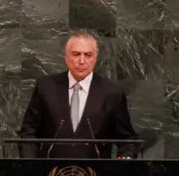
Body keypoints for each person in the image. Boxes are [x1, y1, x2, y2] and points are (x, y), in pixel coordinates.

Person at [18, 30, 139, 159]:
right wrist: (29, 164)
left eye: (88, 55)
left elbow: (127, 139)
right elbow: (29, 132)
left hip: (95, 174)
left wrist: (126, 158)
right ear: (66, 57)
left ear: (95, 58)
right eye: (76, 54)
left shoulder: (112, 93)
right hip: (51, 173)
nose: (81, 61)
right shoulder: (46, 87)